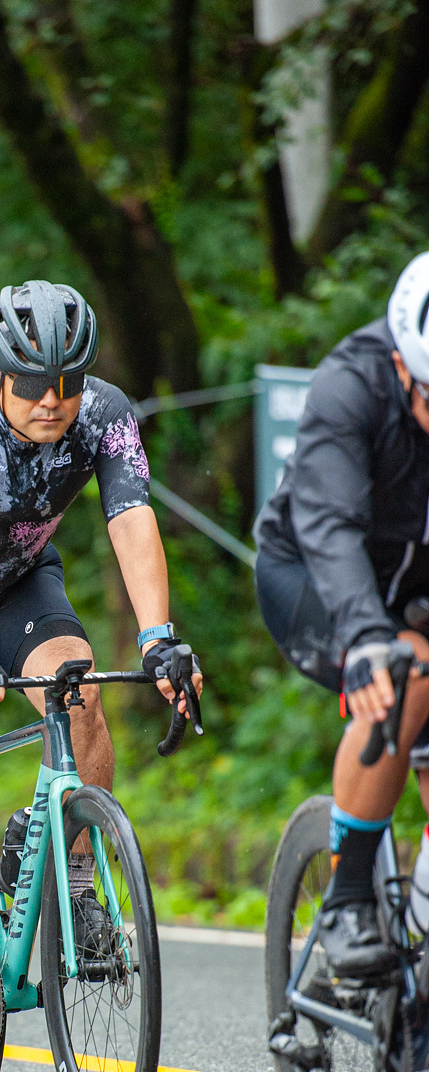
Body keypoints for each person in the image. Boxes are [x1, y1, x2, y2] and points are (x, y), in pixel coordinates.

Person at [0, 279, 202, 1037]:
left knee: (79, 700)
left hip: (20, 580)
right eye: (30, 383)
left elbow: (132, 519)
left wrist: (158, 639)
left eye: (68, 382)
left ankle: (76, 885)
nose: (51, 401)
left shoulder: (106, 415)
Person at [255, 251, 429, 977]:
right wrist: (364, 637)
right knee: (407, 669)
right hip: (312, 577)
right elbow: (327, 525)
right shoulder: (349, 385)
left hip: (414, 587)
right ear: (403, 368)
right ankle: (347, 897)